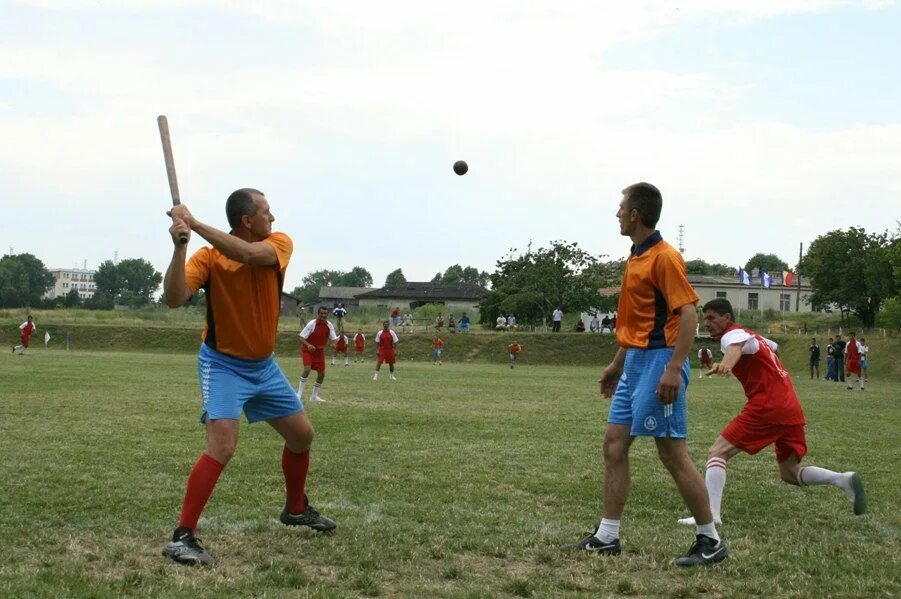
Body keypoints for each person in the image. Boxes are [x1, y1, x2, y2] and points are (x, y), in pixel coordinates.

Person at [162, 188, 335, 566]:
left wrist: (194, 222)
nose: (273, 218)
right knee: (222, 446)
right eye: (266, 212)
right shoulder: (207, 258)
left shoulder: (278, 243)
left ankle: (294, 508)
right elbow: (174, 297)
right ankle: (182, 536)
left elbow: (246, 254)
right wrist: (180, 247)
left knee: (301, 435)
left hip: (263, 366)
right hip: (222, 365)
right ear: (247, 220)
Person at [573, 182, 725, 567]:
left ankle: (710, 539)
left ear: (636, 214)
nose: (618, 213)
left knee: (671, 453)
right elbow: (639, 321)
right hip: (636, 361)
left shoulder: (664, 258)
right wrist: (616, 363)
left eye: (621, 207)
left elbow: (689, 315)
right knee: (613, 445)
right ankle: (608, 535)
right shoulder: (636, 257)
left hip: (661, 362)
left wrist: (675, 368)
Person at [676, 299, 867, 527]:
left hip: (768, 406)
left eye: (711, 318)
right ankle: (842, 479)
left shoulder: (732, 335)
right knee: (789, 472)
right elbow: (772, 346)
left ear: (726, 318)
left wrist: (727, 363)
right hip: (790, 407)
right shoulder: (754, 338)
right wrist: (727, 362)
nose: (707, 323)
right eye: (705, 318)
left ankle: (711, 515)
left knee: (717, 453)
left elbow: (735, 348)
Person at [298, 306, 340, 403]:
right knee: (307, 369)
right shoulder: (311, 324)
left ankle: (314, 397)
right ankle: (299, 394)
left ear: (327, 314)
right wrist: (308, 345)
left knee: (321, 374)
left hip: (319, 352)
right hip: (308, 351)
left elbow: (334, 339)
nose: (323, 315)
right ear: (318, 314)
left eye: (325, 314)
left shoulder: (329, 325)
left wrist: (334, 344)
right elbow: (300, 337)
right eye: (321, 313)